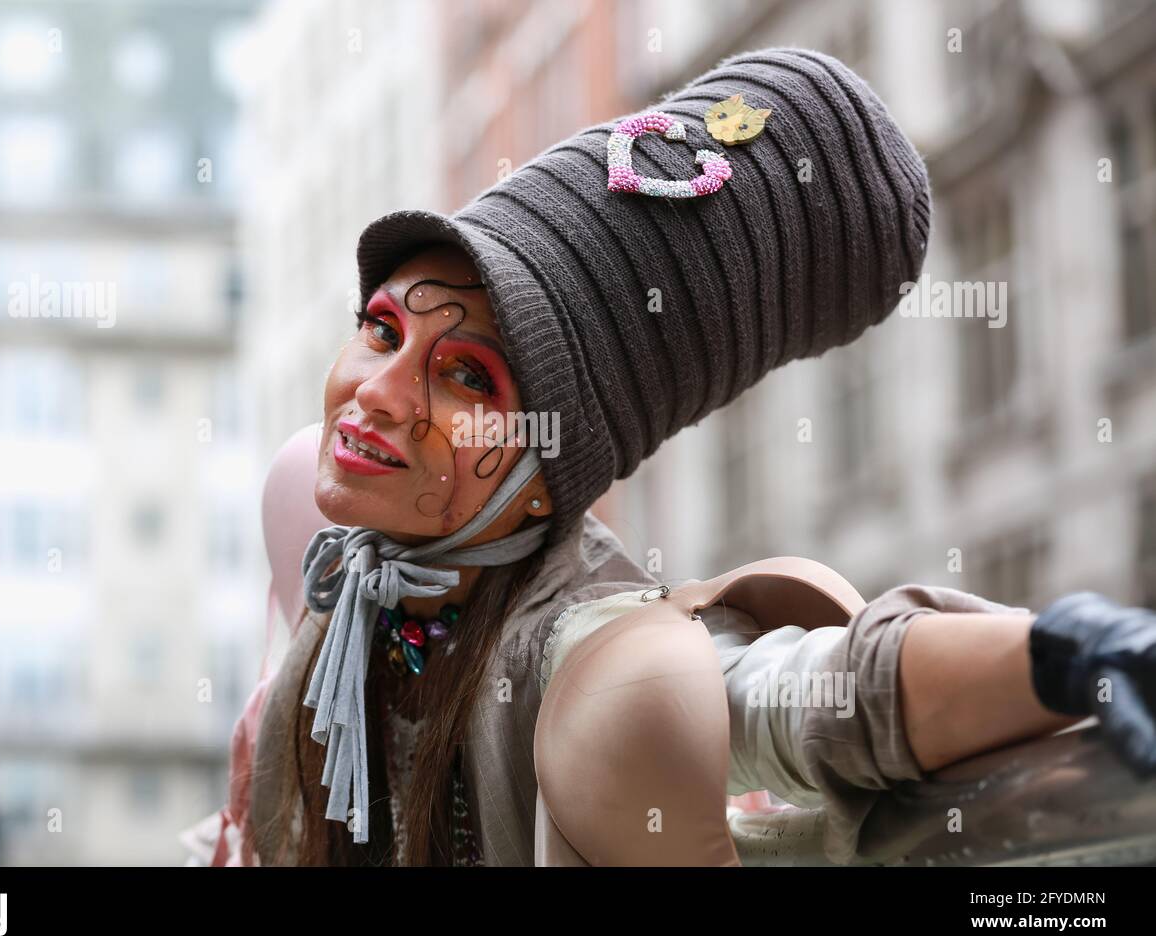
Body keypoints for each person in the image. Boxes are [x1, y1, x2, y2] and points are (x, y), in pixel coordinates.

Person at [180, 47, 1156, 867]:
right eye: (381, 330)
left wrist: (1061, 652)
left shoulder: (596, 670)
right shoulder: (344, 583)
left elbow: (809, 694)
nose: (379, 390)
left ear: (543, 477)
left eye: (468, 377)